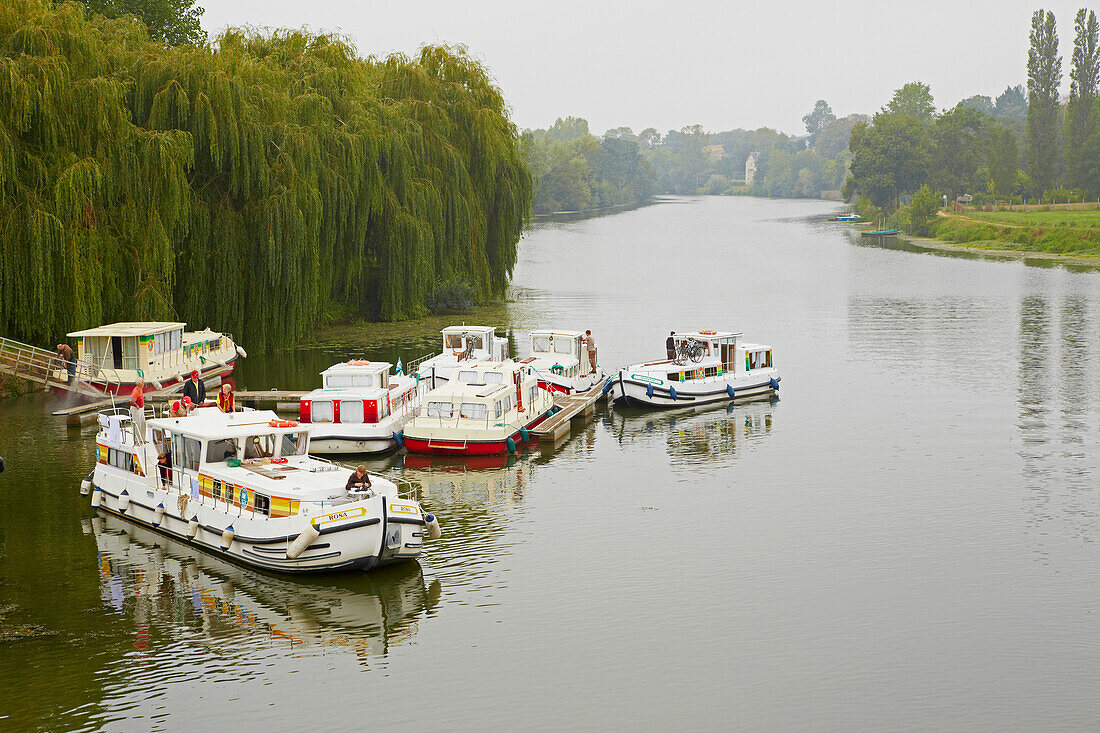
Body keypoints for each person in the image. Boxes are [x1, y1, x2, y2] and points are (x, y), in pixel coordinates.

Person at [129, 379, 146, 444]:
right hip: (136, 410)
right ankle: (136, 440)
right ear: (139, 384)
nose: (144, 384)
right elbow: (131, 400)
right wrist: (136, 405)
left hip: (141, 409)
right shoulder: (136, 391)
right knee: (137, 424)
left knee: (143, 423)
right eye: (143, 383)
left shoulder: (140, 390)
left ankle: (142, 439)